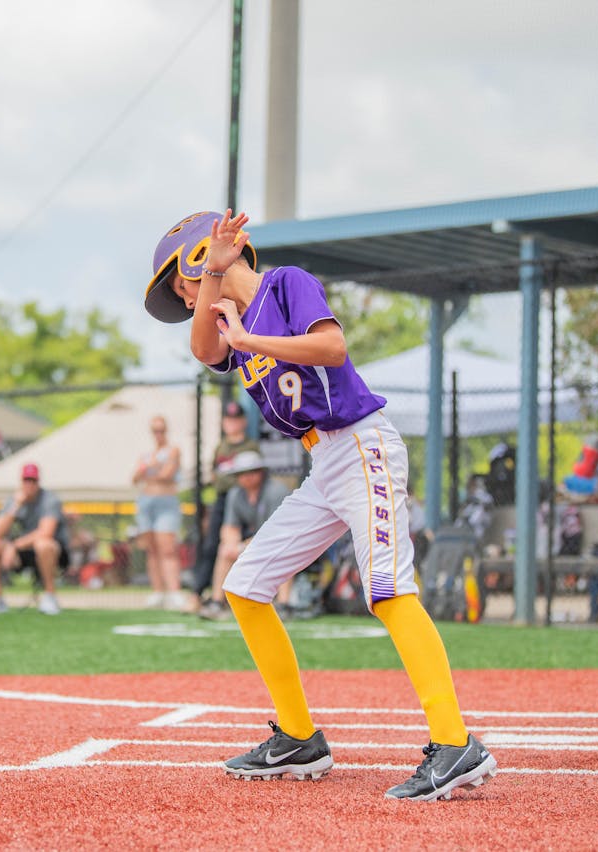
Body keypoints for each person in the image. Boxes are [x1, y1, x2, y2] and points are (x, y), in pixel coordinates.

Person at [143, 209, 496, 799]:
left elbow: (332, 347)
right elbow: (206, 350)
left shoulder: (287, 284)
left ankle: (456, 743)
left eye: (180, 279)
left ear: (201, 252)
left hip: (363, 445)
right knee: (245, 584)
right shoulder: (227, 317)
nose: (184, 296)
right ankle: (299, 738)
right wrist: (211, 285)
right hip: (324, 464)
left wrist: (247, 334)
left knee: (387, 591)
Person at [199, 450, 290, 620]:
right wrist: (232, 545)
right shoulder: (235, 494)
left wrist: (242, 546)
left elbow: (276, 531)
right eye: (241, 473)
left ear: (261, 472)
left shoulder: (276, 491)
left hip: (283, 541)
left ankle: (284, 604)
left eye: (252, 472)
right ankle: (217, 602)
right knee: (224, 549)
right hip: (255, 543)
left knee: (283, 551)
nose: (247, 477)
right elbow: (229, 527)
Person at [0, 462, 68, 616]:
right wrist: (15, 506)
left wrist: (14, 546)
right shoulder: (15, 500)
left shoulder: (50, 500)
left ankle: (50, 597)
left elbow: (46, 532)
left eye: (33, 481)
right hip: (23, 551)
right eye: (26, 480)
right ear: (21, 481)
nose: (29, 484)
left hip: (53, 553)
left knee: (44, 544)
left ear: (38, 482)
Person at [192, 401, 261, 604]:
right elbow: (215, 473)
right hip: (222, 499)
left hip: (243, 499)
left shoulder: (250, 446)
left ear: (243, 422)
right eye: (229, 420)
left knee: (243, 545)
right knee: (212, 545)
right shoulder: (221, 446)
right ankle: (201, 592)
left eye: (236, 419)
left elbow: (252, 476)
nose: (232, 424)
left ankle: (241, 595)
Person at [132, 415, 187, 610]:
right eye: (155, 430)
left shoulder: (173, 450)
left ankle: (174, 591)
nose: (158, 434)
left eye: (161, 430)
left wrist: (148, 470)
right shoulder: (147, 454)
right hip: (146, 503)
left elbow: (167, 475)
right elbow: (135, 477)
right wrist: (151, 469)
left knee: (168, 549)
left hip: (166, 502)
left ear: (166, 430)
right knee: (152, 550)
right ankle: (157, 592)